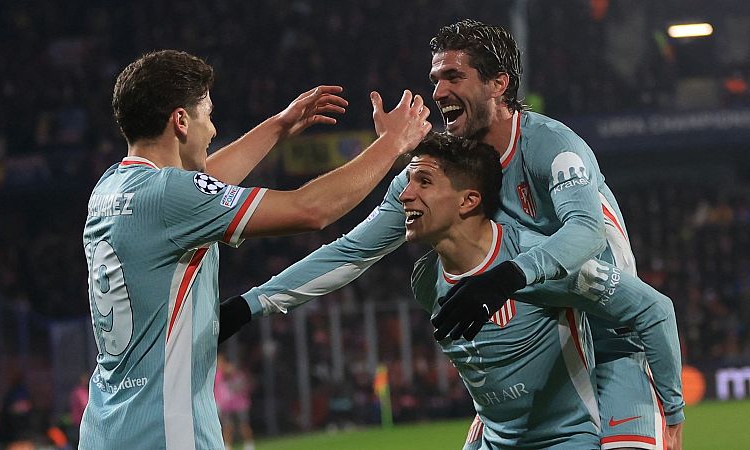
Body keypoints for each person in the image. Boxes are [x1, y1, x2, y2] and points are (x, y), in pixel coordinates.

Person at [219, 20, 683, 450]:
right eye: (435, 77)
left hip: (615, 340)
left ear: (498, 83)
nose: (438, 90)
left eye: (453, 77)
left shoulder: (552, 148)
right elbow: (352, 251)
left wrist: (504, 278)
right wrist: (250, 304)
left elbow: (586, 231)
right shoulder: (438, 175)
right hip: (545, 360)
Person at [79, 49, 431, 450]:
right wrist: (390, 144)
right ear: (180, 121)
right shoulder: (170, 196)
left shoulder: (110, 188)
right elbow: (310, 209)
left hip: (105, 428)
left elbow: (204, 184)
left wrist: (279, 126)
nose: (212, 131)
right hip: (165, 433)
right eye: (207, 115)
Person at [403, 132, 681, 448]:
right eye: (409, 181)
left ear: (468, 200)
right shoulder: (425, 279)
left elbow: (653, 309)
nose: (405, 195)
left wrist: (672, 412)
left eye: (423, 182)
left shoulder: (538, 264)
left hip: (563, 440)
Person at [214, 354, 254, 450]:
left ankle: (249, 445)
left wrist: (227, 368)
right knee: (227, 426)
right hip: (225, 405)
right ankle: (227, 446)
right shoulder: (217, 373)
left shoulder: (233, 370)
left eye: (220, 361)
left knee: (244, 424)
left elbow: (230, 372)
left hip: (239, 403)